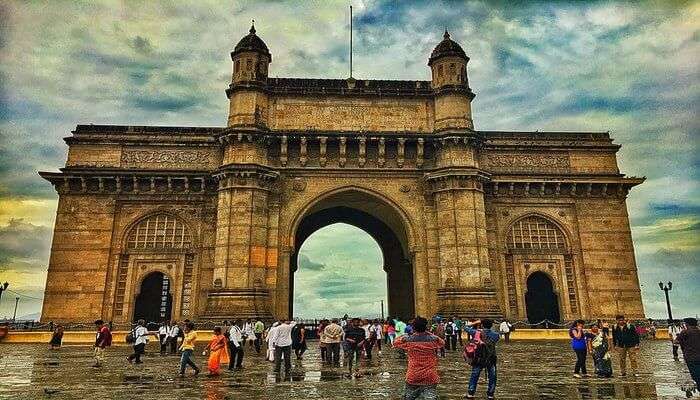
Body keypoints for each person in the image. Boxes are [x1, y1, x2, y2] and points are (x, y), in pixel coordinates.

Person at [393, 316, 444, 400]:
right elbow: (442, 342)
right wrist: (428, 333)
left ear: (413, 327)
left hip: (413, 375)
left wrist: (408, 334)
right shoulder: (433, 339)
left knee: (409, 397)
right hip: (430, 375)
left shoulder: (409, 340)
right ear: (426, 327)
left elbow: (395, 342)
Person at [465, 319, 500, 400]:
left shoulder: (476, 332)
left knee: (475, 375)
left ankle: (471, 393)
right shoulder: (496, 335)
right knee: (492, 376)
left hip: (479, 358)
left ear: (482, 325)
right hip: (491, 358)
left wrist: (475, 323)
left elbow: (465, 327)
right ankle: (490, 394)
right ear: (491, 326)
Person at [677, 317, 700, 392]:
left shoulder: (685, 332)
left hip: (691, 358)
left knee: (696, 376)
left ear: (687, 324)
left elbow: (675, 342)